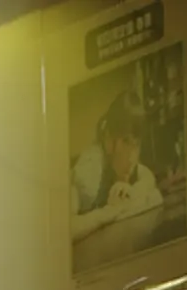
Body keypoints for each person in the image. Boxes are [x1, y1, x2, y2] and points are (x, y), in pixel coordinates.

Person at [70, 90, 164, 241]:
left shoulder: (128, 163)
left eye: (136, 144)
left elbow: (147, 176)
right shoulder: (90, 170)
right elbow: (62, 229)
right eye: (126, 141)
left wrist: (133, 192)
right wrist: (107, 213)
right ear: (109, 140)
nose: (131, 157)